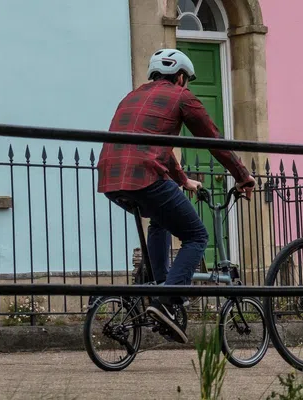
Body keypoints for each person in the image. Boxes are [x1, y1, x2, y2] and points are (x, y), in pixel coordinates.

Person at [96, 49, 256, 343]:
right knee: (197, 236)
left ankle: (158, 287)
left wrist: (183, 180)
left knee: (160, 221)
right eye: (187, 80)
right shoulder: (182, 97)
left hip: (111, 177)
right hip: (144, 176)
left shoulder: (131, 97)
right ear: (181, 77)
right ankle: (167, 300)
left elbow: (158, 146)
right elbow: (214, 142)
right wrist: (242, 176)